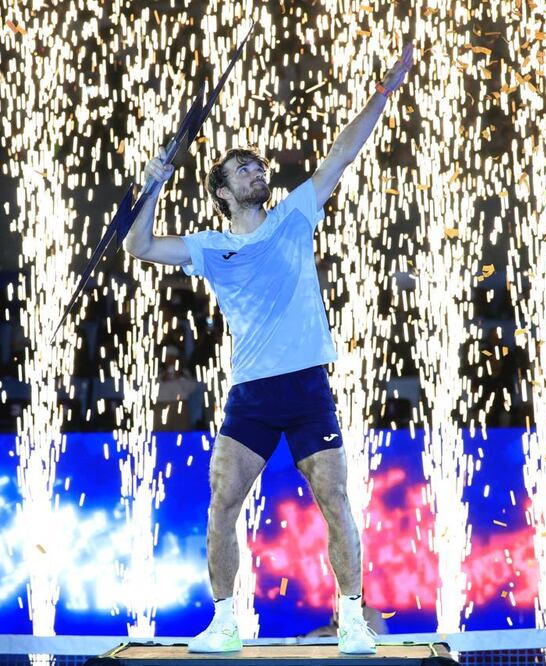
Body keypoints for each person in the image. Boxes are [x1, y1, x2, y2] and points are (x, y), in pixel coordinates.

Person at [122, 43, 415, 655]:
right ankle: (225, 620)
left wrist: (384, 92)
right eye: (244, 171)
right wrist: (151, 185)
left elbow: (343, 149)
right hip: (251, 392)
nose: (259, 173)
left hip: (307, 387)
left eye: (259, 167)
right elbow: (140, 247)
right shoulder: (208, 246)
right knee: (221, 501)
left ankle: (355, 619)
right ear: (224, 193)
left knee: (336, 501)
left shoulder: (293, 216)